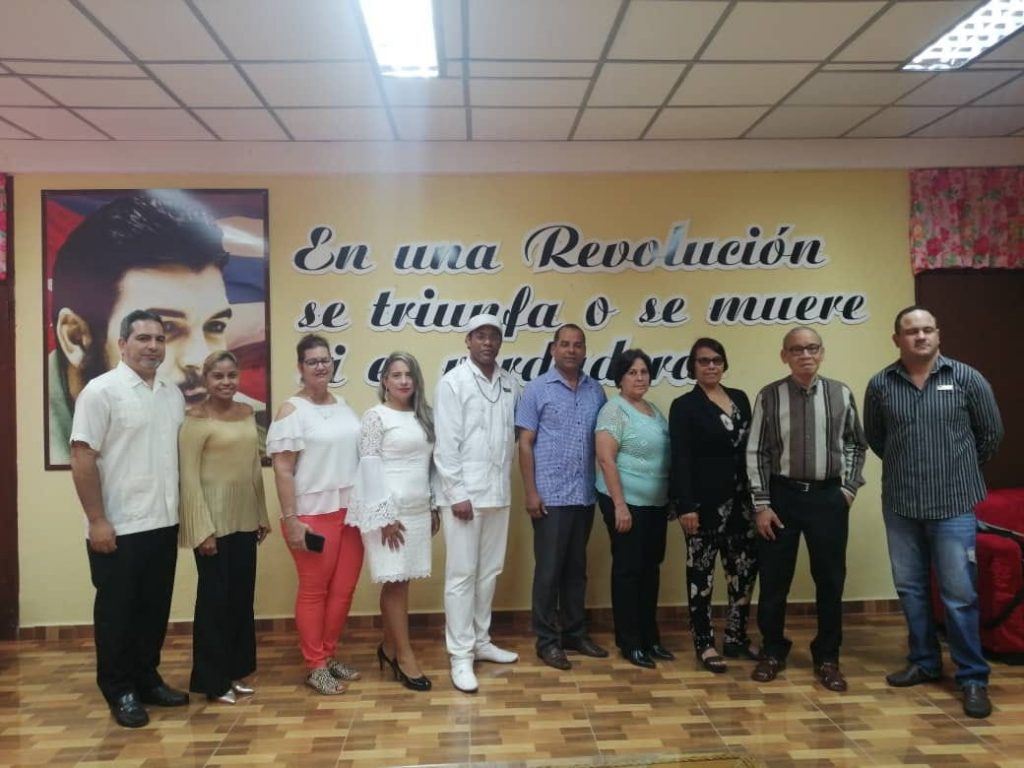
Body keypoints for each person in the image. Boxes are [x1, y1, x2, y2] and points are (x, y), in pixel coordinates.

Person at [47, 191, 264, 465]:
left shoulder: (252, 426)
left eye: (215, 325)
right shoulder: (28, 433)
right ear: (76, 338)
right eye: (167, 329)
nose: (201, 360)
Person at [864, 306, 1003, 719]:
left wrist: (955, 471)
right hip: (902, 504)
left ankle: (972, 677)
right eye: (911, 331)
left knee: (959, 596)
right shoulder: (881, 385)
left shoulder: (967, 379)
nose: (920, 336)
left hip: (954, 505)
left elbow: (990, 435)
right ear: (897, 339)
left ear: (938, 335)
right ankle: (924, 662)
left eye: (927, 329)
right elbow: (877, 439)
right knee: (911, 589)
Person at [69, 309, 189, 728]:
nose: (152, 346)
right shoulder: (101, 392)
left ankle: (146, 679)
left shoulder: (172, 394)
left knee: (154, 610)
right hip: (118, 526)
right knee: (117, 614)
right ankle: (119, 689)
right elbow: (82, 457)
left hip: (163, 521)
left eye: (159, 339)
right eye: (143, 338)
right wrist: (97, 520)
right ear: (122, 344)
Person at [747, 327, 867, 692]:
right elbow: (756, 451)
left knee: (830, 580)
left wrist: (847, 489)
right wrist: (761, 504)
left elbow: (855, 444)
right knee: (774, 580)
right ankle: (772, 651)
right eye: (797, 349)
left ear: (822, 352)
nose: (805, 355)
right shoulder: (769, 396)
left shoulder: (841, 393)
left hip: (828, 499)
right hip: (781, 498)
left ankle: (827, 657)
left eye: (812, 348)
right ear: (784, 355)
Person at [267, 334, 364, 695]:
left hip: (350, 512)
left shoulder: (344, 405)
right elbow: (283, 470)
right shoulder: (292, 411)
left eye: (325, 360)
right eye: (313, 361)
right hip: (312, 515)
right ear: (300, 367)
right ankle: (315, 666)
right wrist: (292, 520)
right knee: (314, 590)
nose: (321, 366)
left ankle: (328, 654)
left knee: (343, 590)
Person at [434, 314, 522, 693]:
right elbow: (446, 443)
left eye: (494, 336)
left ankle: (481, 641)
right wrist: (457, 493)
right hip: (463, 498)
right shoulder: (452, 382)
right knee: (461, 575)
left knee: (488, 573)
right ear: (468, 341)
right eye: (480, 336)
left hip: (497, 493)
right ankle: (460, 655)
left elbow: (510, 438)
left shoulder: (510, 383)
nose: (488, 342)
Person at [178, 351, 270, 704]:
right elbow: (188, 479)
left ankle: (234, 673)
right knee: (214, 603)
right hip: (212, 524)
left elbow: (253, 469)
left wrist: (261, 513)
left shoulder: (247, 413)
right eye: (218, 376)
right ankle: (212, 682)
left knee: (240, 600)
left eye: (231, 375)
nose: (226, 382)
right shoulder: (195, 420)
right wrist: (202, 529)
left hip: (244, 520)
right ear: (206, 379)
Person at [516, 324, 608, 670]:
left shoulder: (595, 391)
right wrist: (531, 491)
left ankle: (574, 633)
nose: (571, 350)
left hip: (584, 495)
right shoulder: (537, 389)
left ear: (585, 350)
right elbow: (525, 443)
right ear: (553, 349)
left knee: (576, 571)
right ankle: (546, 641)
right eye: (565, 344)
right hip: (549, 497)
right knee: (549, 572)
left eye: (578, 345)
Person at [350, 352, 439, 692]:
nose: (404, 381)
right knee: (395, 582)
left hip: (417, 510)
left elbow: (430, 466)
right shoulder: (376, 417)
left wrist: (432, 506)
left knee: (402, 581)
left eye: (409, 375)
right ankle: (405, 656)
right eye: (396, 374)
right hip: (389, 513)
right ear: (384, 380)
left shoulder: (423, 416)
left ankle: (388, 648)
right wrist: (385, 517)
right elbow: (369, 466)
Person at [669, 337, 757, 674]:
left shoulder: (740, 399)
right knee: (701, 576)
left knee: (743, 574)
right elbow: (680, 458)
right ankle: (704, 643)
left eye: (716, 360)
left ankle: (736, 637)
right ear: (693, 366)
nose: (710, 366)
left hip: (743, 504)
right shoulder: (684, 406)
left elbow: (751, 450)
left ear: (724, 364)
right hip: (702, 506)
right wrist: (685, 505)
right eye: (703, 361)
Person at [595, 349, 673, 669]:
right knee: (628, 571)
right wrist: (620, 506)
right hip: (625, 503)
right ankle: (630, 642)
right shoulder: (614, 410)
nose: (639, 377)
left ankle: (650, 637)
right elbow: (605, 459)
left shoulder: (654, 410)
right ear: (620, 378)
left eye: (644, 372)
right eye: (632, 372)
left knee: (650, 570)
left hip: (655, 505)